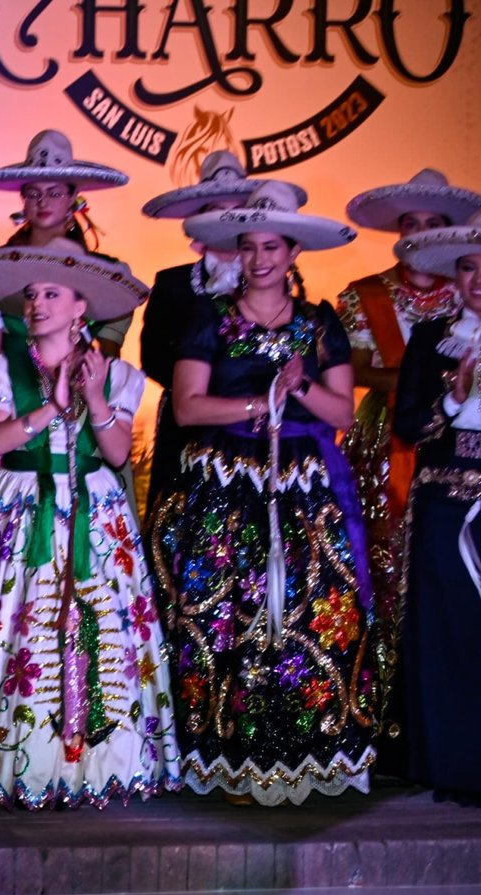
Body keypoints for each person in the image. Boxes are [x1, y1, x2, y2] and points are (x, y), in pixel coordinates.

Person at [151, 183, 374, 805]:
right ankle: (227, 757)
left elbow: (342, 413)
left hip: (302, 486)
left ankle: (302, 753)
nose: (259, 259)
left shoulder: (319, 324)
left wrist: (298, 388)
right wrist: (261, 401)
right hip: (224, 484)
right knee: (223, 615)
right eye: (248, 247)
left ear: (294, 251)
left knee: (307, 614)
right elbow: (189, 408)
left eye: (271, 247)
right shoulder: (209, 320)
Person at [0, 239, 178, 807]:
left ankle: (102, 764)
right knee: (16, 626)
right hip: (21, 505)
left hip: (93, 510)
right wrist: (52, 403)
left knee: (101, 624)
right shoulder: (3, 367)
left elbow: (116, 453)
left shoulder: (115, 373)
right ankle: (16, 762)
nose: (37, 304)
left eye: (52, 294)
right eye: (31, 295)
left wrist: (93, 398)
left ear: (80, 308)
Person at [336, 169, 481, 750]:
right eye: (411, 224)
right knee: (386, 566)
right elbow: (364, 379)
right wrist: (441, 391)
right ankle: (394, 715)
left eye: (431, 223)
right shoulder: (369, 296)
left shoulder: (453, 301)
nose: (418, 231)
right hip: (397, 451)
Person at [138, 151, 305, 525]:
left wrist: (253, 393)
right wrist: (202, 388)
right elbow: (152, 356)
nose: (228, 220)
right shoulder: (172, 282)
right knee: (179, 516)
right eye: (217, 210)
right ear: (201, 218)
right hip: (188, 421)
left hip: (257, 424)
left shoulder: (270, 280)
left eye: (236, 210)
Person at [389, 209, 481, 806]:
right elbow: (406, 425)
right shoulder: (431, 338)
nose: (479, 280)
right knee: (448, 632)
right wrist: (451, 399)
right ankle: (454, 765)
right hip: (445, 501)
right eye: (468, 268)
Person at [0, 130, 130, 359]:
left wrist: (89, 382)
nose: (43, 202)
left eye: (55, 193)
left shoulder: (107, 272)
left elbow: (109, 359)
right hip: (11, 380)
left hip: (82, 380)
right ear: (23, 199)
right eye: (34, 194)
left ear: (73, 197)